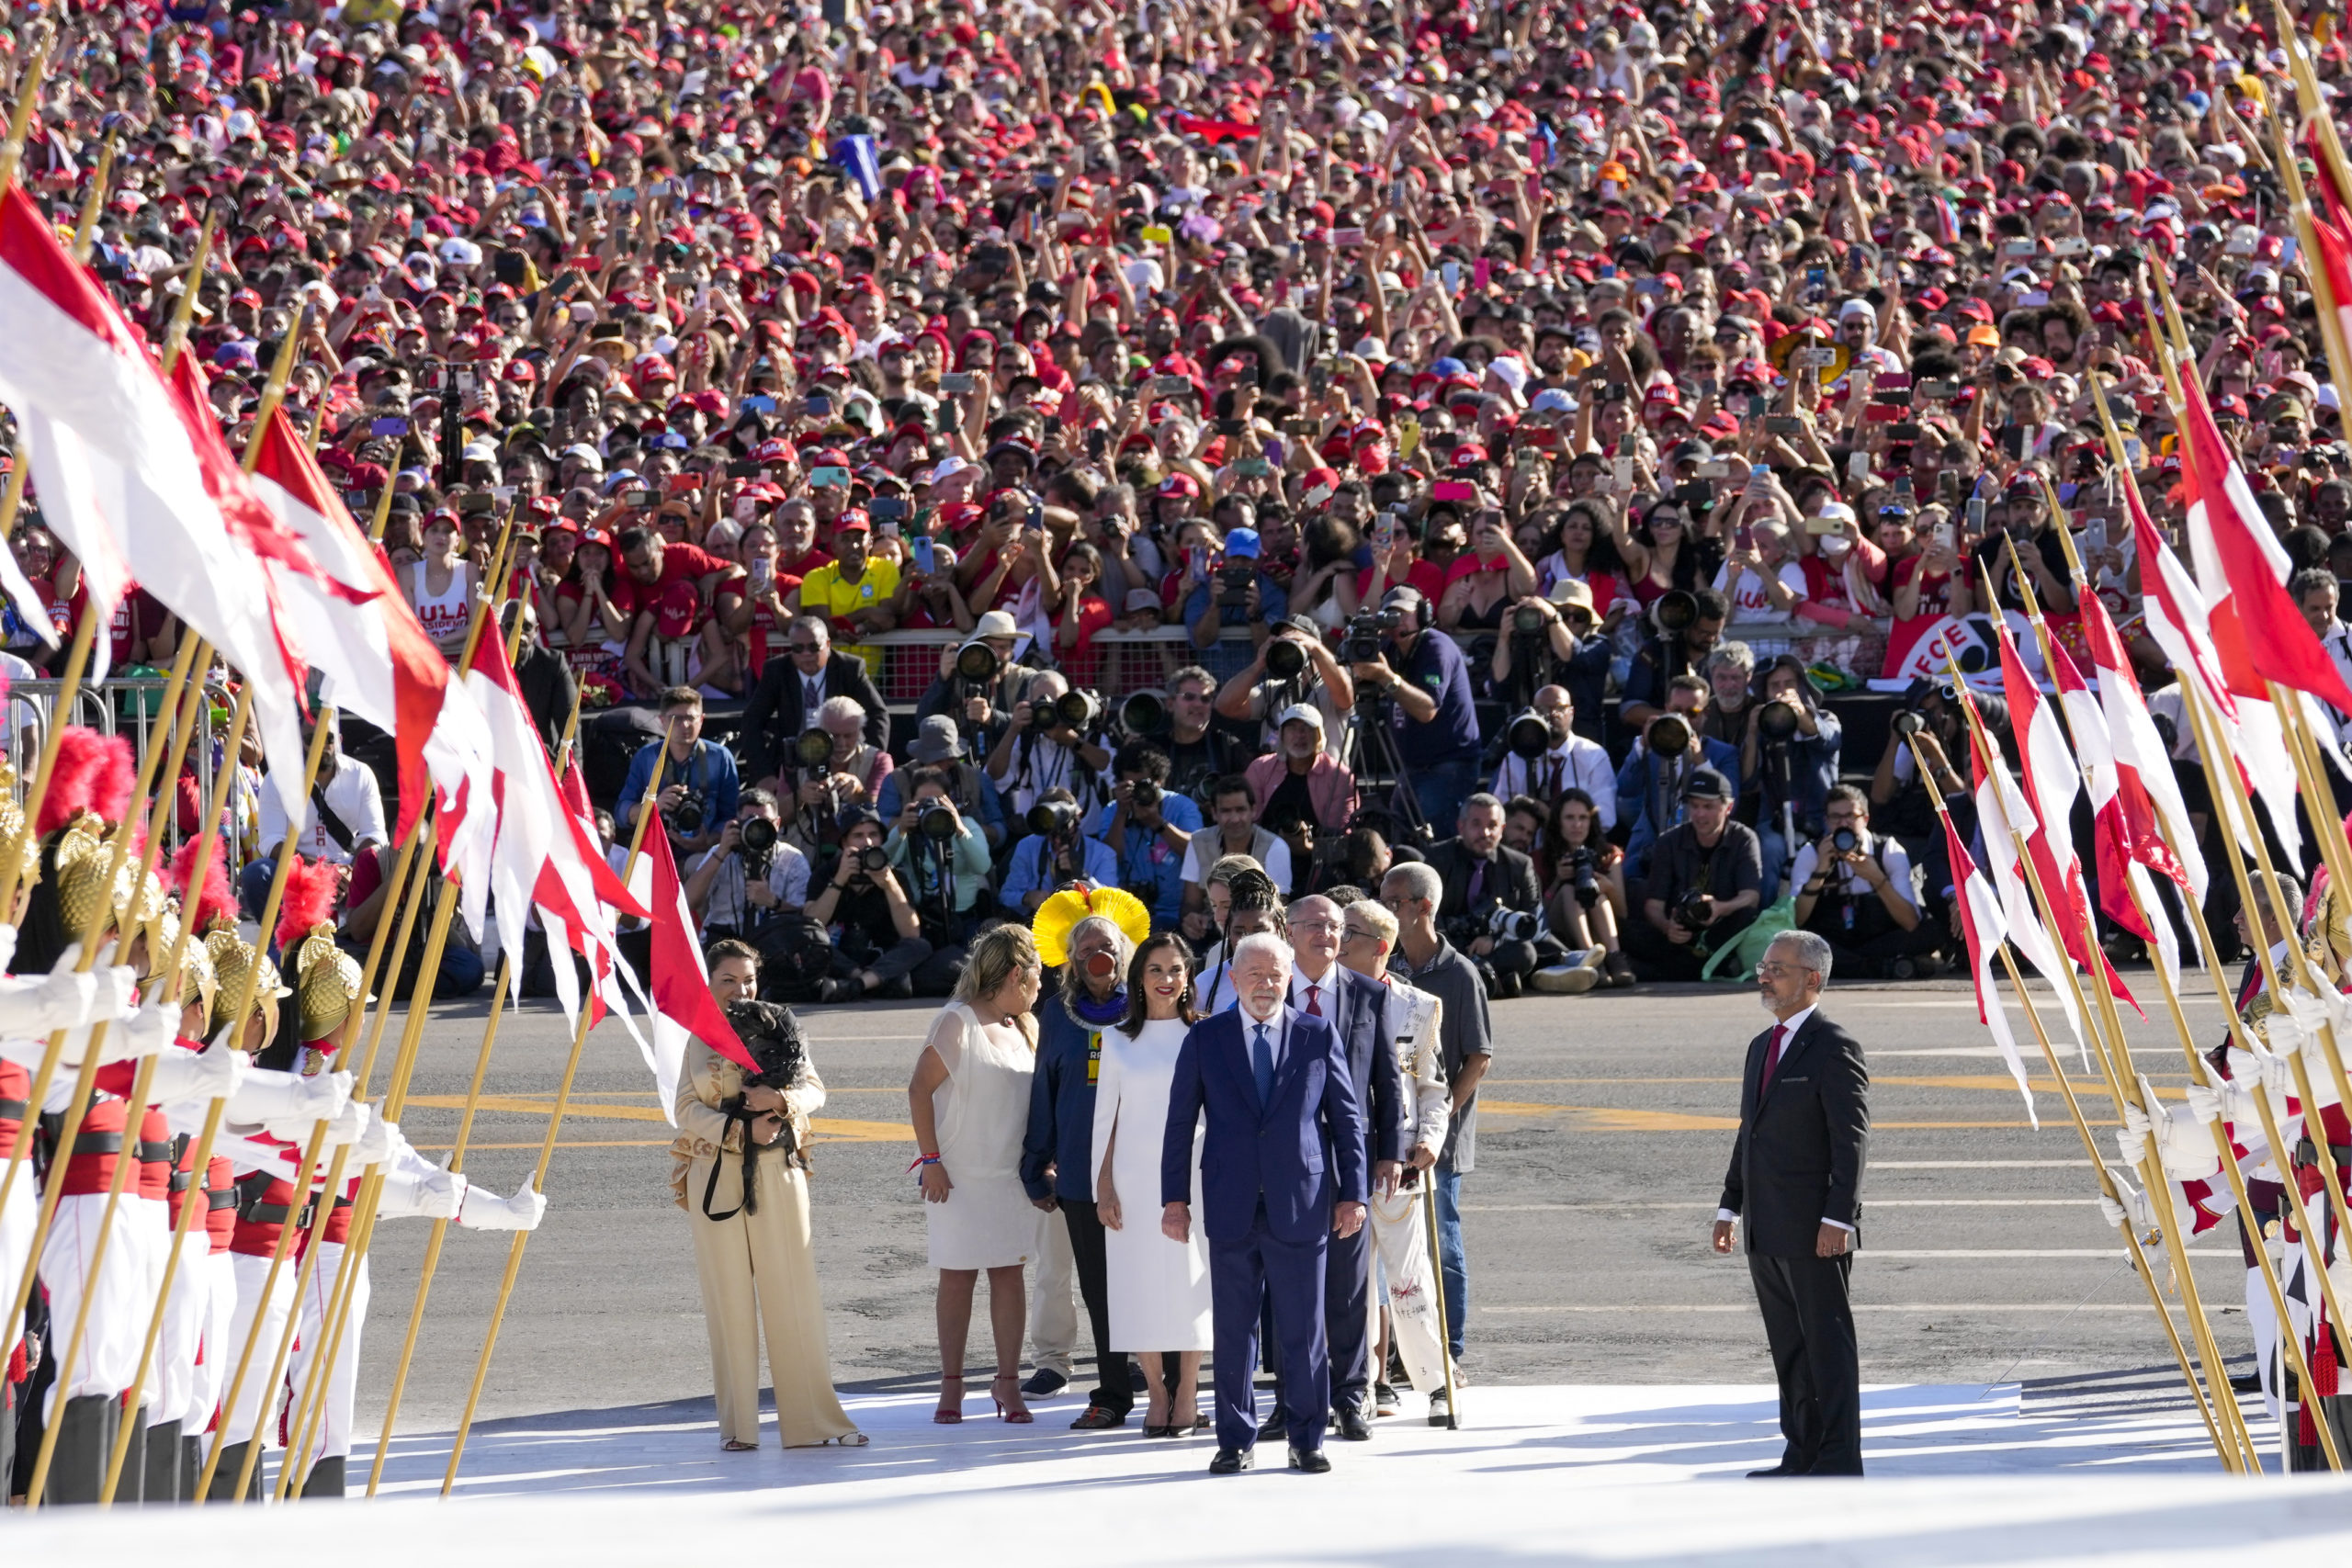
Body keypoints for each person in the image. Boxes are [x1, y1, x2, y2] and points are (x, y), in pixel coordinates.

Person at [1159, 932, 1366, 1475]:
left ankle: (1307, 1438)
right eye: (1254, 975)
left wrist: (1354, 1194)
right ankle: (1235, 1439)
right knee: (1234, 1330)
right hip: (1229, 1204)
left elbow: (1346, 1120)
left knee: (1303, 1329)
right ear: (1233, 980)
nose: (1266, 985)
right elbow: (1179, 1124)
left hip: (1302, 1201)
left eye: (1276, 975)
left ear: (1290, 977)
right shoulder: (1207, 1039)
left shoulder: (1316, 1034)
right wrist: (1174, 1200)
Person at [673, 943, 865, 1450]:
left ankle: (814, 1423)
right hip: (715, 1172)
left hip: (780, 1170)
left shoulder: (781, 1022)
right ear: (710, 983)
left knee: (792, 1295)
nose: (742, 990)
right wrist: (738, 1130)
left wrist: (780, 1101)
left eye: (748, 979)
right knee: (728, 1301)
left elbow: (815, 1089)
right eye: (728, 980)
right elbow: (685, 1109)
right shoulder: (697, 1033)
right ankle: (739, 1428)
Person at [1713, 931, 1869, 1479]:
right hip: (1764, 1225)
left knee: (1827, 1347)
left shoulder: (1834, 1045)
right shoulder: (1762, 1045)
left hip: (1813, 1228)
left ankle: (1838, 1459)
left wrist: (1838, 1217)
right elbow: (1748, 1133)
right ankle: (1800, 1451)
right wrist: (1730, 1207)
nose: (1765, 975)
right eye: (1764, 966)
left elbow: (1850, 1141)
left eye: (1777, 968)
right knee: (1790, 1350)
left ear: (1812, 980)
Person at [908, 926, 1048, 1424]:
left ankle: (1007, 1383)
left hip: (1011, 1177)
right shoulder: (956, 1022)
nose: (1040, 984)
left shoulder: (1025, 1025)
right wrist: (931, 1161)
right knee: (958, 1277)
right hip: (958, 1177)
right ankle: (952, 1386)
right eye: (1036, 974)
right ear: (1016, 972)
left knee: (1010, 1275)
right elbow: (918, 1090)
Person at [1020, 901, 1150, 1424]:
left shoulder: (1148, 1007)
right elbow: (1044, 1089)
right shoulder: (1056, 1012)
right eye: (1087, 950)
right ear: (1070, 962)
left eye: (1109, 947)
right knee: (1097, 1288)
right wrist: (1036, 1164)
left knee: (1146, 1280)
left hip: (1142, 1169)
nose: (1100, 956)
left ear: (1125, 956)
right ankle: (1113, 1393)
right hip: (1078, 1169)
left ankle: (1165, 1387)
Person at [1284, 895, 1405, 1437]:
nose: (1328, 935)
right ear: (1289, 932)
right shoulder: (1268, 987)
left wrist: (1390, 1152)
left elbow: (1387, 1080)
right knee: (1286, 1284)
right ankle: (1291, 1399)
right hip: (1283, 1160)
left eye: (1336, 928)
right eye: (1315, 925)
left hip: (1350, 1160)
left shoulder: (1371, 995)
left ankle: (1350, 1396)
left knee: (1350, 1285)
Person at [1336, 897, 1456, 1420]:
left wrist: (1430, 1138)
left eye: (1350, 934)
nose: (1337, 943)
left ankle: (1434, 1383)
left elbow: (1431, 1086)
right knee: (1352, 1285)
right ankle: (1357, 1385)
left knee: (1409, 1278)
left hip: (1401, 1160)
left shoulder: (1417, 1007)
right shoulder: (1329, 998)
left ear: (1380, 946)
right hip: (1344, 1157)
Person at [1091, 932, 1215, 1437]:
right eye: (1156, 970)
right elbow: (1107, 1120)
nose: (1167, 980)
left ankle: (1188, 1392)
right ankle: (1157, 1395)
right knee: (1136, 1284)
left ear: (1189, 977)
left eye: (1176, 970)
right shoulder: (1117, 1039)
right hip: (1133, 1178)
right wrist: (1103, 1185)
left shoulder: (1206, 1034)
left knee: (1193, 1283)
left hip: (1196, 1174)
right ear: (1138, 979)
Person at [1377, 863, 1491, 1374]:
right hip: (1400, 1132)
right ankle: (1409, 1350)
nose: (1387, 909)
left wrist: (1439, 1119)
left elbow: (1478, 1058)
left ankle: (1451, 1349)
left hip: (1438, 1138)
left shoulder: (1460, 973)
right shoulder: (1393, 970)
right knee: (1403, 1250)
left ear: (1425, 907)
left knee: (1441, 1243)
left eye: (1395, 901)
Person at [1350, 586, 1483, 834]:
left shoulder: (1436, 647)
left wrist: (1386, 677)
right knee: (1402, 835)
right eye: (1390, 614)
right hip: (1412, 767)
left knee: (1434, 841)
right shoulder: (1390, 648)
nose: (1396, 620)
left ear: (1422, 615)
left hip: (1448, 765)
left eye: (1403, 613)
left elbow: (1427, 710)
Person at [1424, 795, 1579, 999]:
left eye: (1493, 825)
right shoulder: (1438, 858)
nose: (1485, 832)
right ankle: (1494, 978)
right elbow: (1426, 913)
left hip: (1497, 944)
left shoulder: (1520, 864)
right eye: (1476, 824)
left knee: (1525, 953)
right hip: (1450, 941)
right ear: (1461, 826)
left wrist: (1494, 940)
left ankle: (1484, 976)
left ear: (1502, 830)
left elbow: (1529, 918)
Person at [1628, 768, 1765, 983]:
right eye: (1695, 806)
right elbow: (1653, 904)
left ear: (1728, 807)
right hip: (1678, 932)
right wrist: (1667, 927)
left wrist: (1720, 907)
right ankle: (1701, 967)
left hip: (1721, 930)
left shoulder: (1744, 839)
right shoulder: (1669, 841)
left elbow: (1751, 896)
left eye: (1708, 807)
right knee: (1627, 927)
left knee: (1746, 915)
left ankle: (1663, 968)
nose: (1700, 814)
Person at [1790, 787, 1942, 980]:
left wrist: (1877, 879)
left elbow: (1910, 922)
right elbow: (1796, 920)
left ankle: (1848, 967)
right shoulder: (1812, 852)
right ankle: (1885, 967)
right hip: (1833, 938)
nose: (1843, 824)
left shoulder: (1888, 850)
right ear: (1827, 821)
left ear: (1865, 819)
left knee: (1932, 929)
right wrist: (1820, 871)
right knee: (1796, 941)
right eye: (1836, 817)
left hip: (1878, 938)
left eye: (1850, 816)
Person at [804, 807, 954, 1000]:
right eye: (858, 836)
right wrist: (839, 880)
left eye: (873, 835)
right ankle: (871, 982)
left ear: (882, 840)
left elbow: (911, 934)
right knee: (809, 943)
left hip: (882, 955)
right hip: (842, 957)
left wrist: (890, 885)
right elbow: (810, 925)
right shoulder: (826, 873)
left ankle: (857, 986)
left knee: (920, 946)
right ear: (844, 842)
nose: (867, 842)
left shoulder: (895, 876)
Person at [244, 717, 388, 919]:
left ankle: (362, 941)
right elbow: (271, 841)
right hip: (299, 869)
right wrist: (319, 870)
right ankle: (282, 945)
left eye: (328, 738)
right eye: (312, 738)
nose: (321, 745)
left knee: (387, 867)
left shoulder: (361, 774)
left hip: (348, 870)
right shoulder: (278, 778)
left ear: (338, 740)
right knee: (257, 874)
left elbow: (375, 835)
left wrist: (352, 871)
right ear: (300, 742)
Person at [740, 615, 890, 792]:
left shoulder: (849, 668)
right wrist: (763, 775)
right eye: (798, 648)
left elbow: (877, 714)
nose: (806, 654)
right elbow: (752, 720)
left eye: (813, 647)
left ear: (827, 644)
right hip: (791, 762)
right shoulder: (776, 670)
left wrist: (867, 764)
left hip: (840, 759)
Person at [1741, 656, 1845, 901]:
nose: (1782, 691)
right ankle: (1764, 921)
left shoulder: (1827, 718)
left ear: (1801, 687)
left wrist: (1799, 713)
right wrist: (1753, 732)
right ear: (1764, 693)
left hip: (1821, 820)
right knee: (1768, 849)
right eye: (1774, 686)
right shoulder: (1762, 729)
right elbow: (1746, 781)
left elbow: (1827, 739)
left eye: (1789, 683)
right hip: (1774, 822)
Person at [1618, 675, 1743, 875]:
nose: (1684, 719)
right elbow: (1625, 789)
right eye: (1677, 711)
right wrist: (1642, 746)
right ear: (1666, 709)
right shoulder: (1650, 745)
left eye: (1692, 713)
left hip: (1698, 847)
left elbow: (1731, 805)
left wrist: (1701, 761)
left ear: (1706, 714)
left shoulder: (1725, 753)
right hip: (1649, 846)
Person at [618, 686, 739, 858]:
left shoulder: (719, 757)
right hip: (656, 852)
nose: (685, 725)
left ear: (702, 720)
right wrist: (654, 805)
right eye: (676, 719)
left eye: (691, 717)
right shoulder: (646, 757)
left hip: (706, 854)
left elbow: (732, 813)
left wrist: (708, 841)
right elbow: (622, 813)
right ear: (662, 721)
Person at [1215, 616, 1357, 761]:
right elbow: (1225, 706)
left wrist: (1315, 648)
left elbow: (1343, 692)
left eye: (1296, 641)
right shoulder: (1272, 690)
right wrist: (1257, 666)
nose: (1289, 648)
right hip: (1277, 779)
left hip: (1324, 779)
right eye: (1283, 642)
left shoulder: (1329, 687)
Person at [1092, 741, 1199, 932]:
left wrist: (1157, 822)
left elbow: (1196, 851)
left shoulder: (1182, 806)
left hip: (1175, 915)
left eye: (1144, 785)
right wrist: (1121, 813)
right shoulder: (1113, 810)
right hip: (1127, 915)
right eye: (1131, 786)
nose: (1139, 793)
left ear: (1160, 782)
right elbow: (1109, 858)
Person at [684, 789, 812, 942]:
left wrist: (773, 902)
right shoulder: (721, 852)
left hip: (773, 944)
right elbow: (688, 902)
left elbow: (807, 918)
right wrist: (721, 853)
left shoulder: (793, 860)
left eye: (765, 822)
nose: (758, 828)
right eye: (751, 822)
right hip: (723, 944)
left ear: (777, 824)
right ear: (738, 822)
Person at [1490, 685, 1614, 824]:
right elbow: (1500, 815)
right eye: (1542, 709)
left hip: (1577, 842)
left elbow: (1606, 818)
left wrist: (1554, 819)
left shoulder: (1594, 755)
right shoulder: (1515, 758)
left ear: (1571, 712)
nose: (1552, 713)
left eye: (1560, 707)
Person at [1181, 775, 1294, 927]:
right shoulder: (1198, 842)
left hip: (1256, 929)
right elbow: (1191, 902)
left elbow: (1278, 907)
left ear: (1253, 810)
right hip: (1211, 927)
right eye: (1226, 811)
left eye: (1240, 810)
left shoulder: (1275, 847)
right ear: (1214, 813)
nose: (1234, 819)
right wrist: (1192, 919)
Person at [1241, 706, 1359, 840]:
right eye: (1292, 728)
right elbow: (1247, 823)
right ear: (1282, 735)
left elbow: (1341, 833)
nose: (1300, 735)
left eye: (1307, 728)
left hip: (1322, 855)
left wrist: (1310, 848)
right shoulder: (1259, 769)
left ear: (1319, 735)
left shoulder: (1341, 776)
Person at [1002, 787, 1123, 913]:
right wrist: (1027, 898)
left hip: (1085, 924)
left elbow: (1112, 903)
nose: (1057, 839)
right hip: (1039, 924)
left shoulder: (1103, 854)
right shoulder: (1027, 846)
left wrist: (1081, 874)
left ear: (1078, 817)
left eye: (1064, 829)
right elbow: (1006, 896)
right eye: (1050, 832)